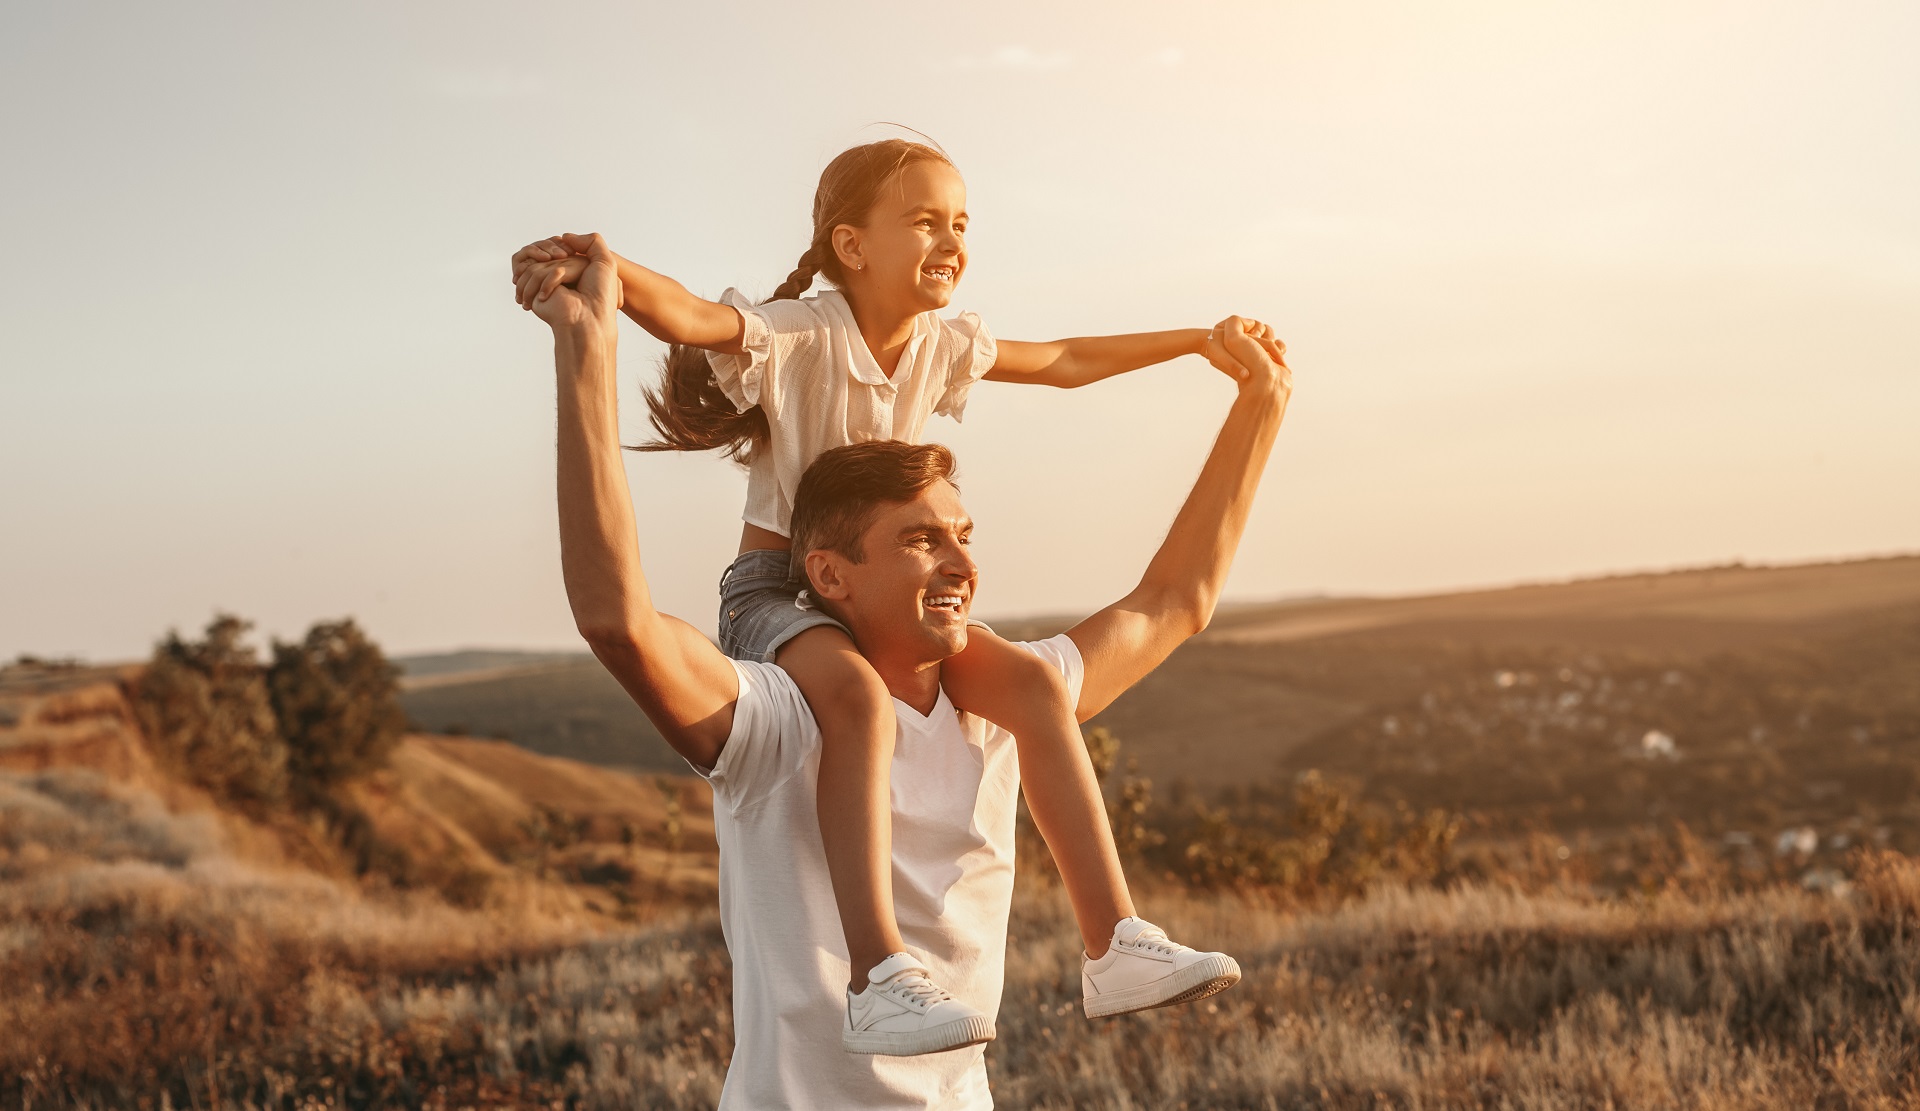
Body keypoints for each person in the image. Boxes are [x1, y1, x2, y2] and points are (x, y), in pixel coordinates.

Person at [510, 138, 1287, 1056]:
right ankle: (881, 973)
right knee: (854, 701)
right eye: (924, 220)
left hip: (883, 596)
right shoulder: (800, 329)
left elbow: (1068, 359)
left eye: (960, 222)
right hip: (783, 593)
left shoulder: (942, 346)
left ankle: (1115, 943)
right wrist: (604, 269)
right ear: (851, 244)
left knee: (1038, 691)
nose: (951, 238)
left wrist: (1201, 343)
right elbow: (684, 315)